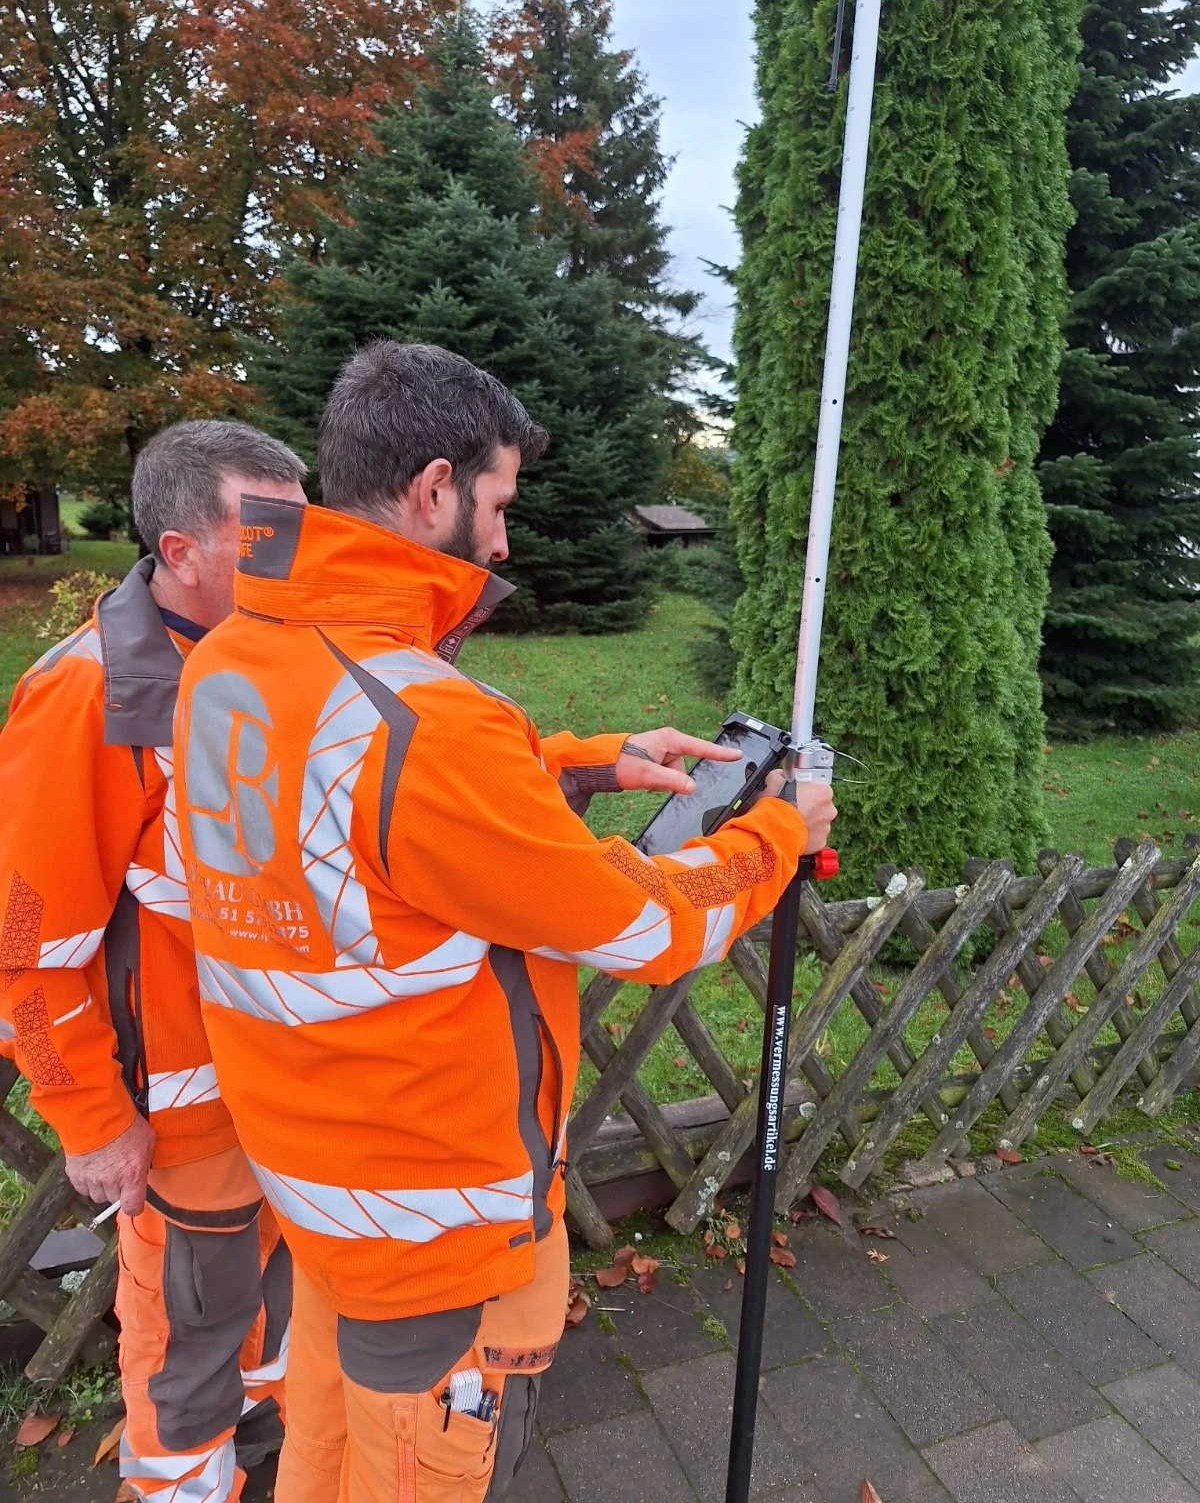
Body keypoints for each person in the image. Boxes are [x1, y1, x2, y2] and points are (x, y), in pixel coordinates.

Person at [173, 342, 837, 1503]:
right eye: (499, 501)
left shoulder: (237, 652)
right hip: (435, 1228)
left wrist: (590, 762)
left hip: (317, 1183)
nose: (505, 539)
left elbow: (365, 809)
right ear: (435, 488)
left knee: (321, 1462)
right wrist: (774, 836)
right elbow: (642, 926)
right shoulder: (425, 719)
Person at [0, 421, 308, 1503]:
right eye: (263, 537)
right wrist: (90, 1117)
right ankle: (182, 1485)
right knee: (184, 1334)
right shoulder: (89, 696)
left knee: (268, 1295)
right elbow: (24, 952)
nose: (294, 559)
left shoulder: (261, 655)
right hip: (183, 1114)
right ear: (181, 551)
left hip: (283, 1086)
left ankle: (264, 1440)